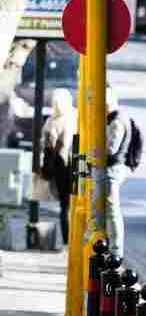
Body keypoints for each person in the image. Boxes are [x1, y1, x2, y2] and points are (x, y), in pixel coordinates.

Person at [39, 89, 76, 243]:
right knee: (76, 204)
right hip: (77, 166)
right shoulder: (77, 116)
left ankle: (68, 241)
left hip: (61, 168)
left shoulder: (51, 121)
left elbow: (46, 146)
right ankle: (75, 240)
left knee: (65, 205)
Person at [105, 88, 133, 258]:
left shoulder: (116, 122)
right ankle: (113, 246)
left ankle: (116, 249)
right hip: (113, 167)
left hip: (113, 169)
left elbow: (110, 149)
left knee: (112, 209)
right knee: (109, 209)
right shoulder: (116, 118)